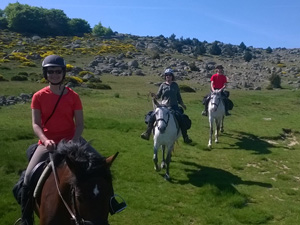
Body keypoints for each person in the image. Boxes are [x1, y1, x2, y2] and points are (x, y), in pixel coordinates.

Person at [19, 55, 126, 225]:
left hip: (72, 140)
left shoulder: (73, 96)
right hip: (49, 144)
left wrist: (74, 141)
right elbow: (36, 124)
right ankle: (26, 218)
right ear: (46, 73)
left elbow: (80, 124)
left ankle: (112, 202)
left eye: (58, 71)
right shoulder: (38, 96)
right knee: (27, 178)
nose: (54, 74)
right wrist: (45, 140)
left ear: (63, 73)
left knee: (102, 166)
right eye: (51, 71)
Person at [141, 68, 192, 144]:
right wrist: (154, 96)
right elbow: (158, 95)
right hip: (164, 107)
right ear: (165, 76)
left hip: (174, 106)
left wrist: (182, 104)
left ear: (172, 76)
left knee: (181, 118)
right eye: (167, 75)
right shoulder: (162, 85)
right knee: (152, 116)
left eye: (170, 75)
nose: (168, 77)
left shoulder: (175, 85)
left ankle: (185, 137)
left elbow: (178, 96)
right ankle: (147, 133)